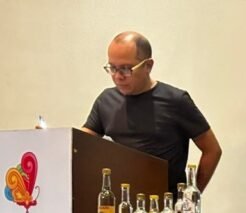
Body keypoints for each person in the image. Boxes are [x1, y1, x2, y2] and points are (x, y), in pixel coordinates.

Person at [83, 31, 222, 193]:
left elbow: (212, 150)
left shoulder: (176, 101)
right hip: (122, 201)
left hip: (166, 204)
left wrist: (192, 194)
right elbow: (81, 144)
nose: (118, 76)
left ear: (148, 65)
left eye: (126, 69)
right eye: (112, 68)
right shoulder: (106, 100)